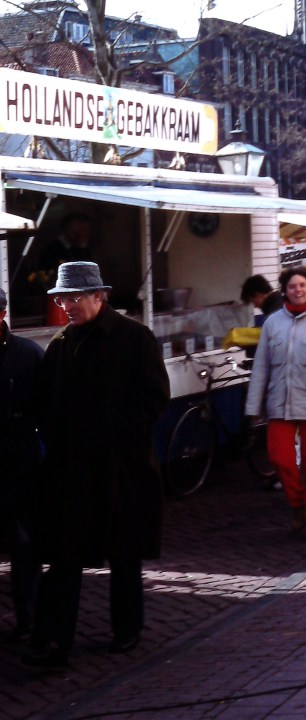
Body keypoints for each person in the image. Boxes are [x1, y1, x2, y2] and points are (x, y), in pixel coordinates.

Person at [23, 262, 170, 669]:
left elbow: (154, 398)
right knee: (65, 555)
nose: (67, 306)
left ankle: (127, 628)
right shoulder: (61, 344)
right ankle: (52, 641)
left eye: (74, 298)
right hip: (72, 471)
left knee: (124, 553)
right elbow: (45, 401)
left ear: (99, 296)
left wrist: (115, 434)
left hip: (121, 467)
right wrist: (53, 436)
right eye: (61, 299)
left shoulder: (134, 338)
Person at [245, 266, 306, 540]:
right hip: (279, 402)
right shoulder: (272, 323)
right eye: (292, 286)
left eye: (302, 285)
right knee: (280, 458)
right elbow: (261, 367)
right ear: (284, 291)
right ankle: (298, 505)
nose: (297, 290)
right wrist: (253, 407)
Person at [0, 289, 44, 641]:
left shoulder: (28, 355)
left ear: (2, 315)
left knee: (23, 544)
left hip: (19, 463)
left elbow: (48, 409)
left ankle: (27, 617)